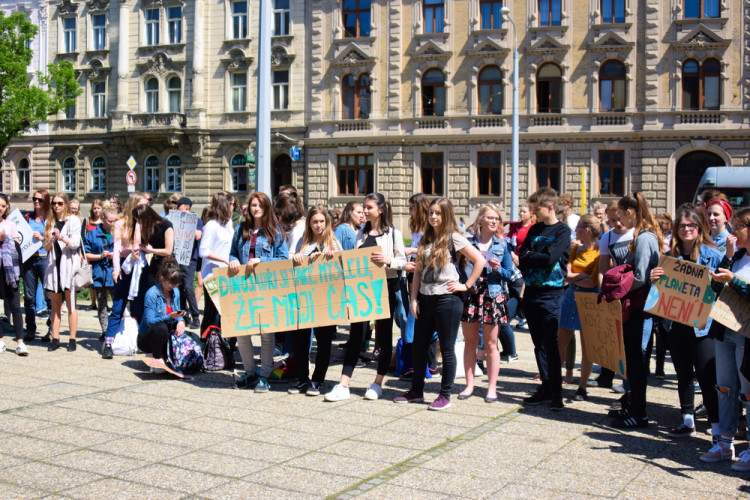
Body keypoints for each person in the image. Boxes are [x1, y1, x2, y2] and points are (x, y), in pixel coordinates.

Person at [395, 198, 485, 410]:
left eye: (438, 213)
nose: (433, 217)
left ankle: (445, 395)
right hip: (425, 299)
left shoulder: (454, 238)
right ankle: (417, 390)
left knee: (446, 348)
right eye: (431, 213)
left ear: (446, 216)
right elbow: (417, 271)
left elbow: (479, 260)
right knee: (418, 347)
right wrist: (414, 298)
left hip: (447, 299)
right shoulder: (425, 239)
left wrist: (466, 285)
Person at [649, 206, 722, 440]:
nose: (686, 229)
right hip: (676, 324)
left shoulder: (715, 254)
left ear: (699, 228)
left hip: (703, 325)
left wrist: (716, 282)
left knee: (706, 375)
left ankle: (717, 427)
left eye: (691, 225)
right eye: (682, 226)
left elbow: (725, 289)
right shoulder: (670, 257)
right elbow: (660, 292)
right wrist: (655, 280)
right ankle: (687, 419)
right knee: (683, 374)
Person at [325, 194, 406, 402]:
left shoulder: (393, 234)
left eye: (369, 207)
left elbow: (402, 261)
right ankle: (344, 383)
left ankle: (377, 383)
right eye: (364, 207)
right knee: (356, 335)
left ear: (380, 210)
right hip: (361, 289)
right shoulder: (361, 232)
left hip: (385, 288)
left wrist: (388, 260)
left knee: (384, 334)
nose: (365, 211)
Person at [700, 207, 750, 469]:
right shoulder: (737, 256)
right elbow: (715, 288)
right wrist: (728, 260)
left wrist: (737, 282)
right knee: (725, 387)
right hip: (724, 329)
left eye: (739, 227)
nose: (733, 232)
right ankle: (725, 443)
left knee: (748, 391)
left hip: (746, 333)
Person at [609, 192, 662, 429]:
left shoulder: (643, 238)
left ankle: (639, 412)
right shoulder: (645, 235)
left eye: (621, 215)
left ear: (629, 213)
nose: (620, 220)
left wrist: (619, 284)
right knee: (632, 360)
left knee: (636, 361)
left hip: (638, 308)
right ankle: (632, 406)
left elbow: (641, 277)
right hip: (637, 306)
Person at [229, 192, 289, 392]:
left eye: (260, 205)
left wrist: (262, 261)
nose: (256, 208)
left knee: (266, 332)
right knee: (241, 331)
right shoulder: (241, 229)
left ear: (266, 208)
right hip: (243, 287)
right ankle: (250, 373)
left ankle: (264, 375)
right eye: (253, 205)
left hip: (266, 287)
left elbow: (283, 260)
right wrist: (233, 259)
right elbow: (233, 253)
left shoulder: (275, 231)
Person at [518, 187, 571, 410]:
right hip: (531, 292)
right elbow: (522, 257)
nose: (533, 213)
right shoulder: (534, 229)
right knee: (538, 344)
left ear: (549, 207)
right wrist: (530, 257)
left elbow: (550, 259)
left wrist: (532, 256)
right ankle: (546, 386)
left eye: (536, 209)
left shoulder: (562, 231)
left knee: (551, 344)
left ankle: (556, 393)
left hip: (553, 294)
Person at [457, 204, 514, 403]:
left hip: (492, 295)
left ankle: (492, 388)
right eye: (490, 218)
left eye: (496, 219)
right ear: (480, 219)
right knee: (470, 342)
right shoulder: (467, 244)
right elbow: (458, 268)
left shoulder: (502, 245)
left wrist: (498, 269)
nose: (493, 221)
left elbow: (511, 274)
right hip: (472, 294)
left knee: (491, 344)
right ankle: (469, 384)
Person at [288, 206, 343, 396]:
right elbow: (293, 268)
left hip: (325, 299)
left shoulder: (333, 242)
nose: (318, 225)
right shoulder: (303, 243)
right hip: (303, 299)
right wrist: (296, 258)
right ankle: (303, 379)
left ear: (327, 223)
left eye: (321, 221)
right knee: (301, 340)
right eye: (315, 222)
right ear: (309, 224)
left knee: (324, 340)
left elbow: (342, 267)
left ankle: (318, 379)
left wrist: (329, 259)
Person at [556, 214, 604, 402]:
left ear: (587, 230)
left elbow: (592, 281)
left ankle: (582, 386)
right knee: (561, 341)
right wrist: (577, 277)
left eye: (578, 227)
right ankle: (556, 383)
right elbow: (565, 275)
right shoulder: (576, 249)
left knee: (587, 347)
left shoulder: (600, 252)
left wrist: (574, 277)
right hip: (571, 297)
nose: (575, 231)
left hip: (589, 299)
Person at [589, 201, 635, 389]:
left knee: (629, 341)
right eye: (613, 220)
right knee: (609, 337)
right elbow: (602, 269)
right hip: (615, 291)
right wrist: (604, 293)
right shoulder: (607, 238)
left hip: (633, 290)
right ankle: (605, 376)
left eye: (620, 219)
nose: (617, 224)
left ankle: (628, 382)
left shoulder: (637, 234)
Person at [102, 194, 148, 358]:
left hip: (140, 265)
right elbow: (116, 248)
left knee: (140, 305)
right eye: (142, 205)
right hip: (125, 264)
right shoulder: (121, 222)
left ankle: (140, 340)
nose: (145, 208)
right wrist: (116, 269)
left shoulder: (144, 222)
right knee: (119, 304)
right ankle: (109, 342)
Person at [43, 193, 82, 352]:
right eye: (54, 203)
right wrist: (50, 241)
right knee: (55, 306)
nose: (56, 206)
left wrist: (61, 237)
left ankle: (72, 339)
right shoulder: (50, 221)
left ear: (65, 204)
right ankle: (56, 338)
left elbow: (75, 243)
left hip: (68, 265)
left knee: (71, 303)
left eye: (59, 203)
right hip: (54, 266)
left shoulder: (73, 220)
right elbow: (45, 248)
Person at [137, 256, 186, 373]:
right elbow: (150, 321)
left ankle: (170, 357)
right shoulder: (152, 293)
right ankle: (157, 358)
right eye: (170, 282)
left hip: (167, 334)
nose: (172, 286)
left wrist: (181, 321)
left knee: (183, 333)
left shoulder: (176, 292)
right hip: (148, 337)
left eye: (175, 283)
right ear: (161, 278)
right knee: (161, 327)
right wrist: (171, 316)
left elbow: (177, 311)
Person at [198, 191, 234, 331]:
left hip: (226, 275)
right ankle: (208, 341)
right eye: (231, 204)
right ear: (224, 205)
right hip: (212, 275)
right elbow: (203, 251)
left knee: (224, 312)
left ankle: (221, 342)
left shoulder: (228, 224)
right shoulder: (211, 226)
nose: (233, 207)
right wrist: (224, 259)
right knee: (212, 313)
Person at [84, 207, 117, 344]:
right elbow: (86, 253)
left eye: (115, 221)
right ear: (103, 218)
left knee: (118, 304)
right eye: (110, 221)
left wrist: (114, 256)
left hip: (114, 274)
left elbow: (124, 252)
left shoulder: (119, 233)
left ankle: (116, 330)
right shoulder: (92, 234)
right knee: (102, 305)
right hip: (99, 274)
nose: (112, 224)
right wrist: (100, 256)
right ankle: (105, 331)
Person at [0, 194, 28, 355]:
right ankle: (1, 341)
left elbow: (17, 247)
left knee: (16, 307)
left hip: (10, 271)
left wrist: (7, 240)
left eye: (3, 206)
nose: (0, 208)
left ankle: (20, 343)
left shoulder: (10, 224)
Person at [22, 190, 51, 342]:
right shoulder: (28, 218)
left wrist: (42, 237)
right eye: (34, 199)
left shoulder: (49, 219)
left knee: (50, 296)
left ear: (45, 201)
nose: (36, 201)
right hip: (29, 261)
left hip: (45, 259)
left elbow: (53, 238)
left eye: (39, 199)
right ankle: (30, 329)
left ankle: (52, 330)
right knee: (29, 297)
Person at [174, 197, 202, 329]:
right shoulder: (175, 220)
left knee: (188, 286)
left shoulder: (196, 220)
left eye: (178, 205)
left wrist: (189, 226)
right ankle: (183, 316)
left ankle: (195, 316)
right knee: (178, 287)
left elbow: (198, 235)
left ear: (186, 207)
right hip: (177, 257)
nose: (176, 207)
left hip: (189, 258)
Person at [132, 204, 174, 291]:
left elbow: (168, 251)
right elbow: (145, 246)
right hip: (155, 262)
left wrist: (150, 250)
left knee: (165, 292)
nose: (139, 223)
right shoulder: (147, 228)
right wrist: (140, 250)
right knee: (151, 289)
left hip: (167, 263)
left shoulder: (166, 225)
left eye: (140, 221)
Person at [83, 199, 105, 312]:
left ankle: (103, 302)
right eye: (95, 208)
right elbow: (83, 237)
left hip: (103, 252)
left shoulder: (105, 222)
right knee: (90, 279)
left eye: (98, 208)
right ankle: (93, 302)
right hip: (91, 252)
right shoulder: (87, 221)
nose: (96, 210)